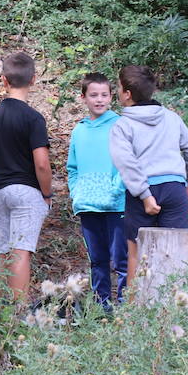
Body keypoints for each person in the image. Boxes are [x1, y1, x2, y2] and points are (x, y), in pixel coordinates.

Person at [109, 64, 188, 288]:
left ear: (127, 94)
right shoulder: (171, 118)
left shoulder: (122, 125)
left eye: (118, 87)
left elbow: (127, 163)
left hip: (143, 194)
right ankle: (171, 311)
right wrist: (183, 179)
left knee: (136, 254)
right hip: (174, 189)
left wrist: (144, 194)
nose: (117, 91)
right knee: (175, 252)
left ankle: (133, 313)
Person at [0, 51, 52, 300]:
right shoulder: (33, 118)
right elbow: (42, 163)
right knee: (21, 251)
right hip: (25, 191)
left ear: (4, 80)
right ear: (33, 80)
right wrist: (47, 194)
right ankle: (16, 317)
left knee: (1, 251)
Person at [67, 72, 127, 308]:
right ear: (83, 98)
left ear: (112, 97)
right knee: (97, 260)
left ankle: (124, 307)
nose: (99, 100)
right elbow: (72, 167)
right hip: (88, 204)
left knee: (121, 260)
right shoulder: (79, 130)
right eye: (93, 95)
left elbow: (127, 162)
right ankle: (102, 307)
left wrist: (117, 188)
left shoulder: (119, 125)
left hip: (115, 204)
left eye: (104, 95)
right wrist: (76, 192)